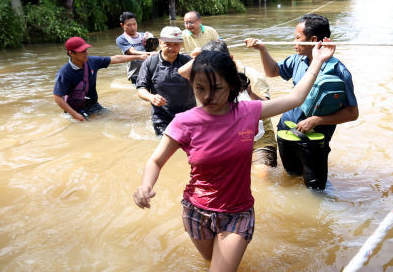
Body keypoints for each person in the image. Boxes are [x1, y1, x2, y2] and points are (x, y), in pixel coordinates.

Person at [133, 42, 336, 271]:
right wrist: (145, 185)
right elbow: (156, 160)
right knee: (211, 262)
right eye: (200, 88)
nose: (207, 96)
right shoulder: (184, 121)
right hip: (196, 211)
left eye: (216, 88)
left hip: (237, 212)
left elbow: (296, 98)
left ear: (231, 85)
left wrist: (317, 61)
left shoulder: (248, 112)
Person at [245, 14, 359, 190]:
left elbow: (352, 113)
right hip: (286, 131)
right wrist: (262, 50)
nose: (294, 43)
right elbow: (273, 71)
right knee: (290, 179)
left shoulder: (338, 71)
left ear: (313, 40)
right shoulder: (298, 59)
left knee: (316, 190)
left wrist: (317, 120)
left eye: (297, 38)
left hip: (314, 139)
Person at [178, 40, 278, 170]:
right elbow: (182, 72)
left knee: (262, 176)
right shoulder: (207, 76)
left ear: (230, 59)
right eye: (211, 63)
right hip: (228, 137)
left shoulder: (252, 75)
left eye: (219, 62)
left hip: (258, 138)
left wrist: (251, 93)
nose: (216, 67)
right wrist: (199, 57)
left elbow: (269, 106)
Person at [53, 36, 147, 122]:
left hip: (94, 106)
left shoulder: (91, 61)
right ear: (71, 53)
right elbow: (57, 97)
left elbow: (116, 59)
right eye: (81, 51)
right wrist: (74, 114)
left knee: (117, 121)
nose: (86, 53)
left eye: (85, 50)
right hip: (75, 111)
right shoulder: (64, 73)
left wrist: (139, 56)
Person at [136, 26, 196, 136]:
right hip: (162, 117)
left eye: (175, 44)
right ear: (160, 42)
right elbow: (141, 89)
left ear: (181, 44)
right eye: (167, 44)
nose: (171, 48)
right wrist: (152, 97)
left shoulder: (188, 62)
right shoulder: (150, 63)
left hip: (188, 115)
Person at [115, 12, 155, 84]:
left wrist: (150, 42)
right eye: (129, 25)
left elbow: (154, 50)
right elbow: (132, 51)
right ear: (122, 25)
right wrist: (149, 53)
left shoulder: (144, 35)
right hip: (135, 74)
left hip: (150, 70)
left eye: (134, 24)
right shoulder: (121, 39)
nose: (132, 27)